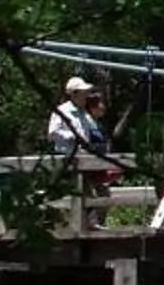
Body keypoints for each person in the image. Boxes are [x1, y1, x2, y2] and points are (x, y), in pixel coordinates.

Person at [46, 74, 119, 226]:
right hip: (69, 160)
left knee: (103, 194)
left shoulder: (84, 114)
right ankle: (88, 226)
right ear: (73, 94)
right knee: (86, 196)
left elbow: (92, 135)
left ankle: (94, 225)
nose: (86, 95)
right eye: (83, 92)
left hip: (86, 161)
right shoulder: (62, 111)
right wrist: (71, 136)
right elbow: (52, 133)